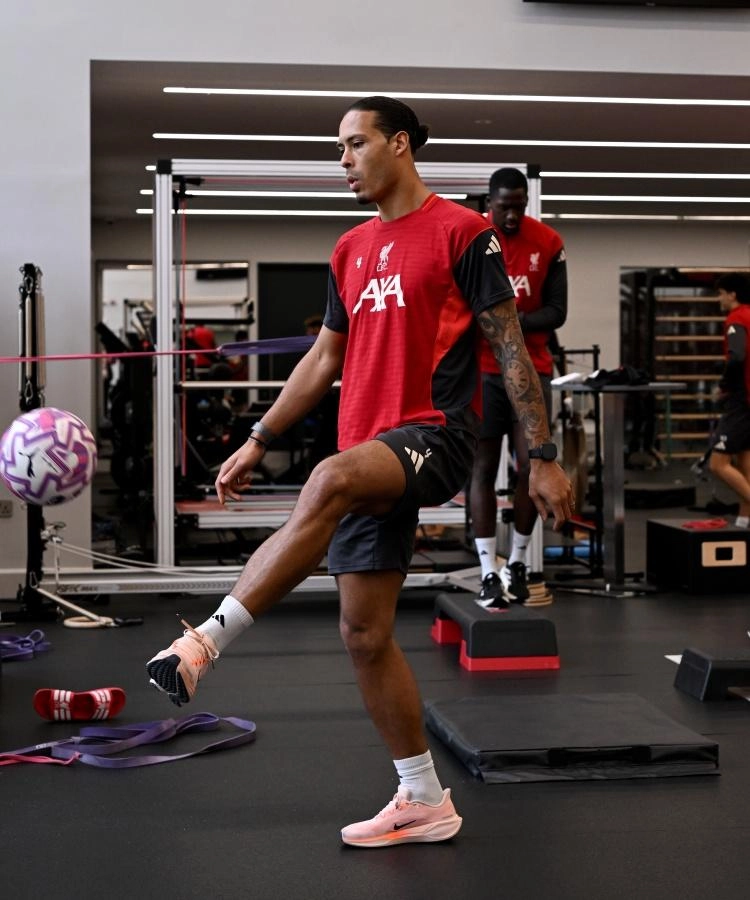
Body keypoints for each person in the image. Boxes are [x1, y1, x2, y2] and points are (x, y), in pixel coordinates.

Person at [146, 97, 573, 848]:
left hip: (435, 434)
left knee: (330, 479)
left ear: (399, 144)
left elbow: (510, 346)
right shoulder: (349, 249)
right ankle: (424, 798)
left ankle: (204, 642)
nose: (343, 161)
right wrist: (259, 436)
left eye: (355, 144)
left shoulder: (463, 232)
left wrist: (540, 455)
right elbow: (323, 358)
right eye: (339, 149)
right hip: (368, 444)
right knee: (363, 633)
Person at [468, 167, 568, 607]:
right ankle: (488, 570)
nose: (512, 215)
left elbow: (557, 312)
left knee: (533, 465)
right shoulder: (472, 238)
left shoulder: (548, 241)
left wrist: (509, 321)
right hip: (482, 371)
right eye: (504, 207)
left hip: (534, 369)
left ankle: (518, 562)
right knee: (483, 468)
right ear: (489, 202)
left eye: (519, 207)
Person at [708, 272, 750, 526]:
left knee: (718, 463)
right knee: (745, 462)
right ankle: (744, 522)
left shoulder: (736, 318)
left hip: (742, 399)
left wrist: (724, 386)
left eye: (721, 293)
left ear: (732, 294)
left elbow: (737, 356)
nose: (719, 299)